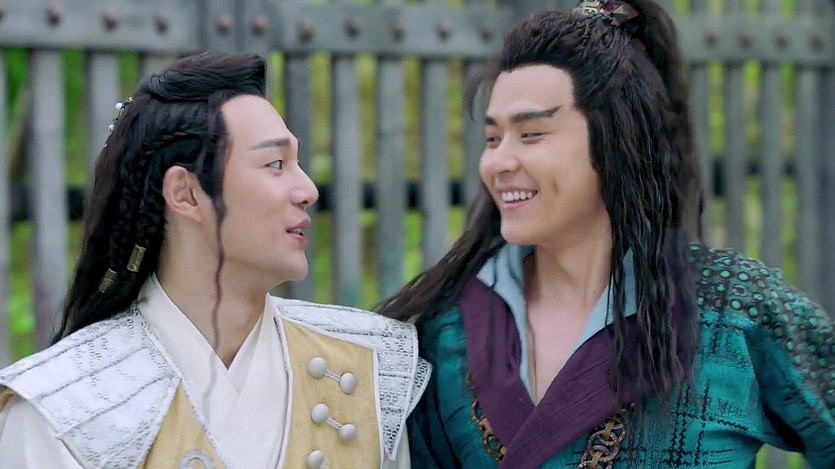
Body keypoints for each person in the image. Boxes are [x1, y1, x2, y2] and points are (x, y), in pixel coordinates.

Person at [377, 1, 834, 468]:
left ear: (615, 139)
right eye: (493, 139)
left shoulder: (732, 309)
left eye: (531, 134)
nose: (498, 162)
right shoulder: (452, 330)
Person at [0, 52, 429, 469]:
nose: (308, 190)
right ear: (186, 193)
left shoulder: (366, 366)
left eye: (296, 163)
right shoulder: (62, 410)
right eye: (275, 164)